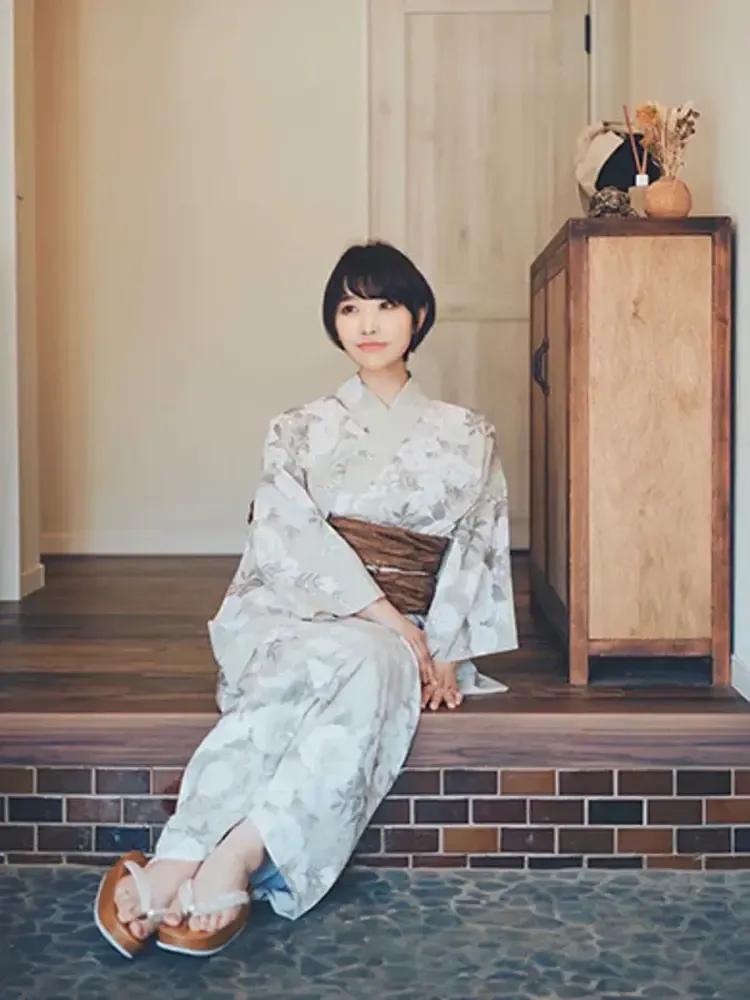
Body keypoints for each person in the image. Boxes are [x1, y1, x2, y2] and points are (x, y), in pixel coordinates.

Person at [94, 240, 518, 959]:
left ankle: (221, 852)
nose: (368, 324)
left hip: (409, 628)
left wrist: (444, 649)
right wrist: (388, 619)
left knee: (375, 661)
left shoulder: (467, 434)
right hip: (300, 608)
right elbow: (286, 536)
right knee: (364, 656)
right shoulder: (297, 428)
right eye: (350, 308)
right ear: (333, 322)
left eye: (386, 305)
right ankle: (205, 854)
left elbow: (476, 546)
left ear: (418, 315)